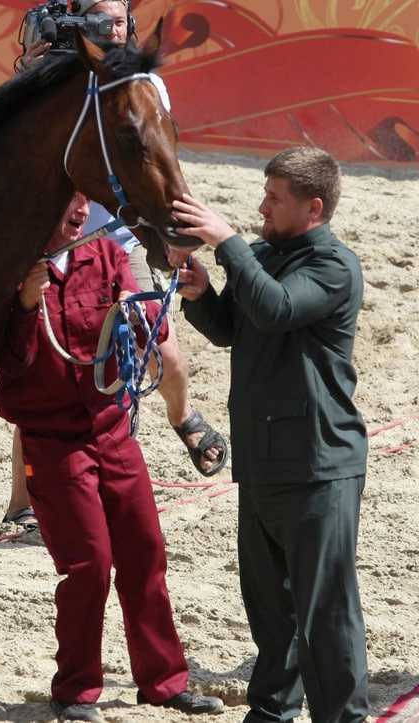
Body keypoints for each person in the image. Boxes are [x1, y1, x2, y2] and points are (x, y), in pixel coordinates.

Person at [0, 190, 224, 722]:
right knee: (89, 565)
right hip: (53, 439)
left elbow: (151, 333)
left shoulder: (107, 254)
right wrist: (26, 303)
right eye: (67, 204)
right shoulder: (8, 266)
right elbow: (7, 363)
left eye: (82, 204)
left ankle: (164, 683)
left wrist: (143, 314)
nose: (79, 212)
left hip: (113, 429)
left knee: (145, 553)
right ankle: (75, 690)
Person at [3, 0, 227, 531]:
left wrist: (173, 234)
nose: (112, 24)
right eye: (98, 15)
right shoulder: (60, 77)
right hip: (64, 241)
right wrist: (35, 73)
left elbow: (159, 160)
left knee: (166, 356)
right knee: (51, 379)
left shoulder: (146, 83)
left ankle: (182, 416)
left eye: (118, 13)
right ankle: (21, 503)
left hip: (124, 237)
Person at [172, 146, 369, 722]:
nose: (261, 207)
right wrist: (202, 292)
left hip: (318, 467)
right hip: (260, 465)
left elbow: (278, 308)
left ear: (313, 207)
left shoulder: (334, 266)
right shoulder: (263, 255)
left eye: (274, 198)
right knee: (269, 612)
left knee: (324, 616)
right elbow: (235, 326)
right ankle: (271, 713)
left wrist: (227, 242)